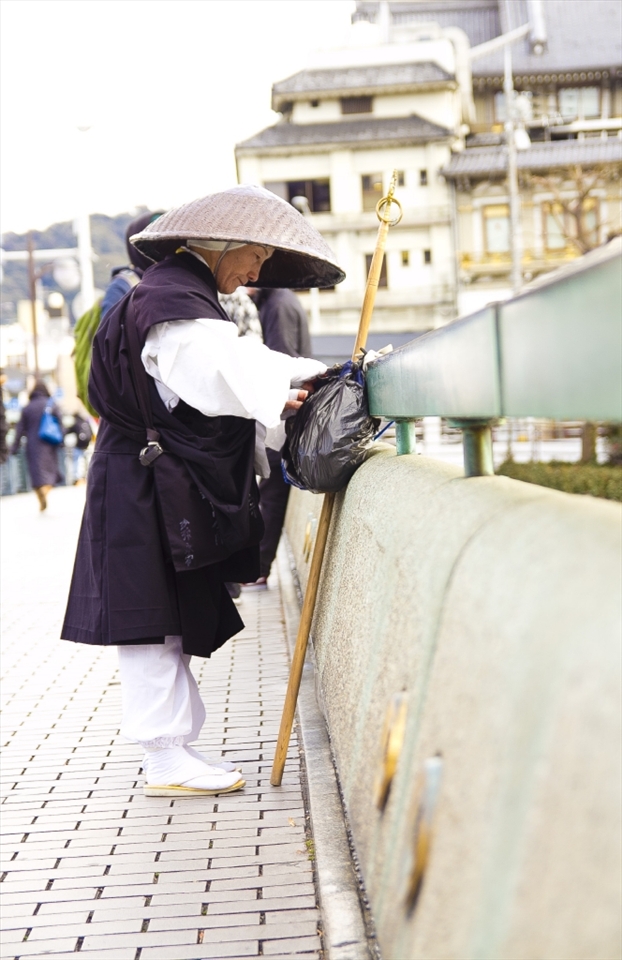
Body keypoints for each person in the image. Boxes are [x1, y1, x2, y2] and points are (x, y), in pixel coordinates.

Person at [61, 185, 344, 798]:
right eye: (254, 257)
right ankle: (164, 758)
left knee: (163, 616)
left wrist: (300, 376)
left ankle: (172, 750)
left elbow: (236, 357)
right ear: (219, 245)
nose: (257, 271)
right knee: (148, 620)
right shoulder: (171, 299)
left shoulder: (179, 293)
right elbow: (212, 369)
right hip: (141, 476)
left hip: (144, 473)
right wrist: (281, 390)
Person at [244, 287, 313, 589]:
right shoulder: (278, 301)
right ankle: (256, 566)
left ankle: (258, 568)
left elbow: (280, 361)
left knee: (271, 491)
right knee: (270, 490)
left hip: (286, 413)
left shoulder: (278, 305)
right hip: (286, 411)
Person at [10, 380, 63, 511]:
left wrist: (14, 447)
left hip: (32, 444)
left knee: (36, 472)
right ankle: (46, 491)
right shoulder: (51, 405)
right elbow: (60, 424)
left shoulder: (27, 407)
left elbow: (19, 429)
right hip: (49, 443)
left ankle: (40, 494)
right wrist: (60, 440)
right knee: (50, 471)